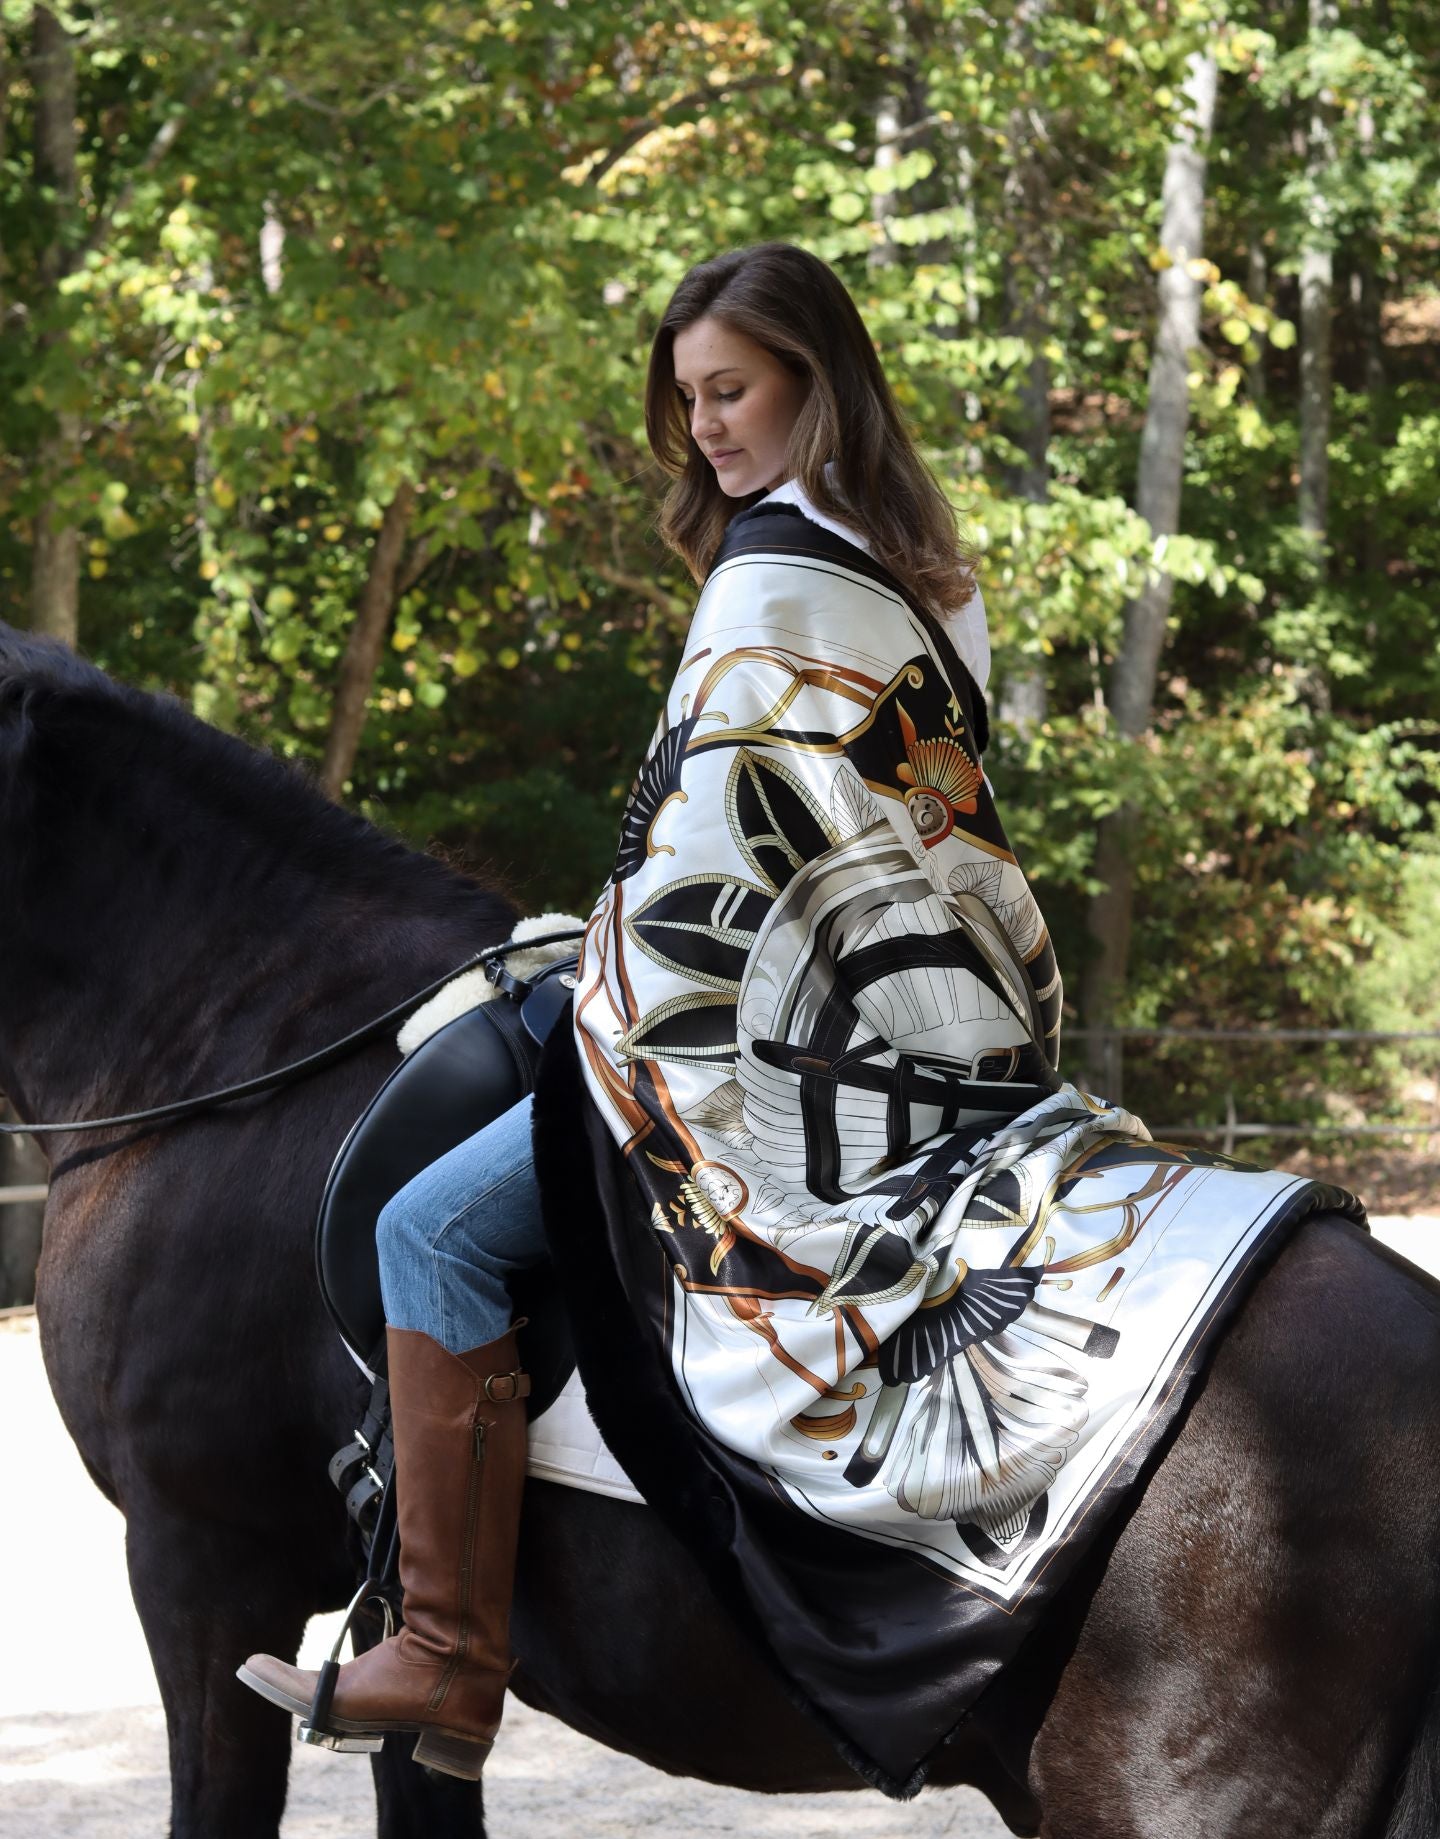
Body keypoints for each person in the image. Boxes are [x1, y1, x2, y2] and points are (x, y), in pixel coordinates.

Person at [237, 240, 996, 1778]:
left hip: (759, 1046)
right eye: (688, 398)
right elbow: (896, 827)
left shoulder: (780, 566)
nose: (706, 426)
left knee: (427, 1231)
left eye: (732, 389)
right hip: (909, 1024)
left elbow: (718, 850)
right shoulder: (926, 565)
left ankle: (446, 1656)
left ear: (814, 379)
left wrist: (618, 964)